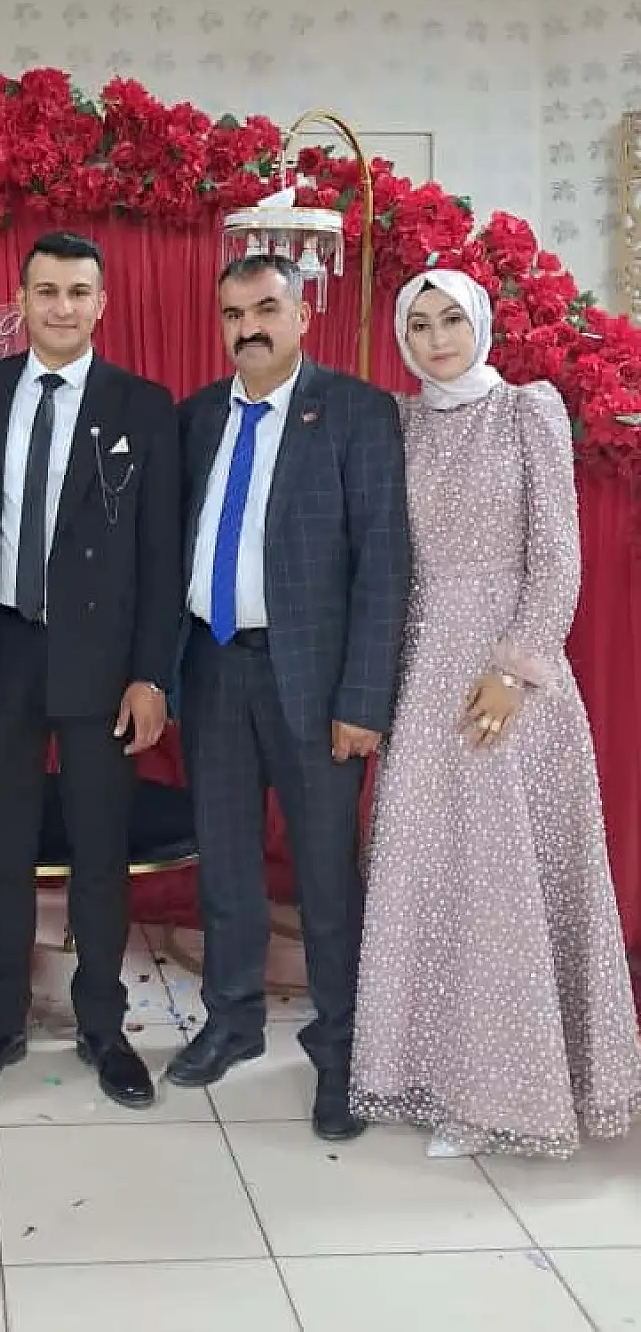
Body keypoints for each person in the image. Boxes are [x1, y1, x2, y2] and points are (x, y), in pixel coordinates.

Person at [351, 269, 641, 1158]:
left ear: (481, 324)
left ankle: (513, 1090)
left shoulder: (527, 412)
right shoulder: (401, 423)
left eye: (452, 319)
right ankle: (440, 1076)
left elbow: (557, 557)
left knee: (502, 880)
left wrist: (515, 669)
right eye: (419, 324)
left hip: (510, 679)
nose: (437, 338)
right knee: (432, 878)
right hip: (424, 669)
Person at [167, 255, 410, 1143]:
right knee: (227, 861)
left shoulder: (355, 411)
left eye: (267, 308)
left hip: (315, 680)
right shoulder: (197, 416)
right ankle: (231, 1018)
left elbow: (384, 563)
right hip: (214, 665)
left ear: (303, 316)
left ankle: (342, 1051)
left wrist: (365, 698)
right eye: (234, 313)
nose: (250, 327)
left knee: (326, 877)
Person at [0, 232, 181, 1111]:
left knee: (98, 849)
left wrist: (151, 674)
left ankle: (103, 1026)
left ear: (101, 303)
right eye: (46, 291)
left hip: (100, 661)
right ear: (21, 299)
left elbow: (162, 552)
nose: (62, 307)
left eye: (79, 292)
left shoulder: (141, 404)